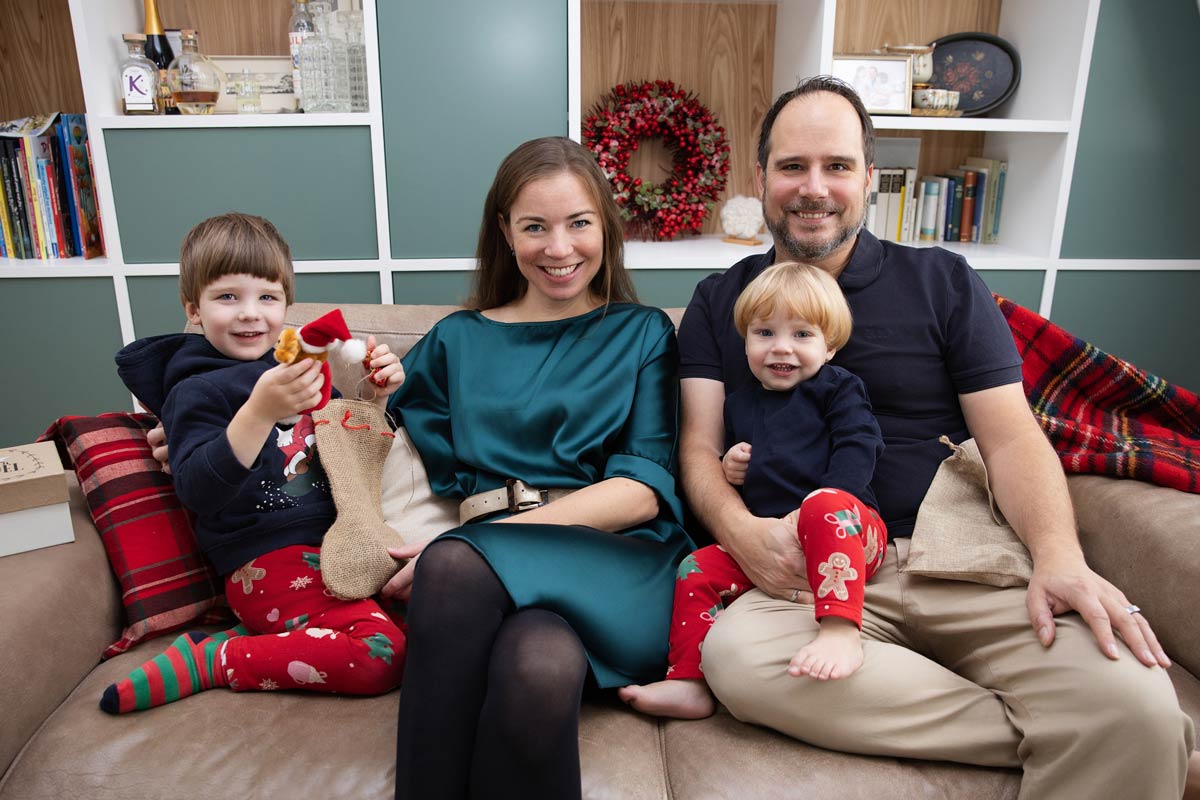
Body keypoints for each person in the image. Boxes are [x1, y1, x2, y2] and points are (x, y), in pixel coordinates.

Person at [677, 76, 1197, 798]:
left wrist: (1059, 556)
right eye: (793, 167)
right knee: (736, 662)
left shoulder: (944, 282)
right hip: (803, 575)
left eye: (838, 166)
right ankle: (1068, 732)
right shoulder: (719, 301)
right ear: (761, 178)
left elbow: (1012, 438)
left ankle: (1104, 729)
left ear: (868, 178)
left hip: (952, 560)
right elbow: (699, 448)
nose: (814, 188)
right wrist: (739, 531)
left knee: (1137, 706)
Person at [381, 136, 694, 800]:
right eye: (535, 227)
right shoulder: (456, 342)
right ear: (504, 231)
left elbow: (640, 492)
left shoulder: (642, 334)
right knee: (538, 668)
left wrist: (488, 543)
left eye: (579, 223)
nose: (559, 248)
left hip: (615, 560)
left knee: (455, 562)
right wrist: (189, 423)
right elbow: (352, 423)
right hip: (493, 582)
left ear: (606, 225)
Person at [103, 212, 407, 714]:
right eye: (228, 297)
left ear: (286, 303)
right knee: (380, 655)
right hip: (267, 561)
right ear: (193, 309)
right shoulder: (194, 391)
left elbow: (335, 448)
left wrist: (375, 392)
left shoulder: (288, 367)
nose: (250, 313)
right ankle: (216, 659)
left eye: (267, 297)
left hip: (343, 545)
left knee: (446, 622)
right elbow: (199, 489)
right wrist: (259, 412)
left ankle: (270, 630)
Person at [619, 261, 886, 719]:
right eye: (765, 333)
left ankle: (841, 631)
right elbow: (743, 477)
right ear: (745, 341)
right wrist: (731, 467)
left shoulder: (838, 389)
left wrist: (818, 507)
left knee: (825, 505)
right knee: (695, 568)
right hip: (772, 542)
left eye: (802, 335)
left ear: (831, 347)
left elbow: (860, 445)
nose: (781, 347)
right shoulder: (741, 404)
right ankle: (689, 680)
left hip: (850, 531)